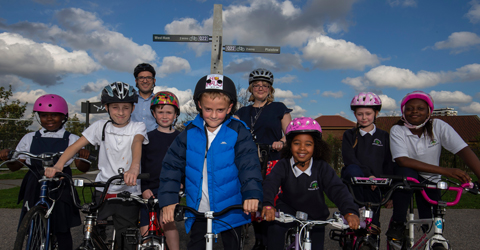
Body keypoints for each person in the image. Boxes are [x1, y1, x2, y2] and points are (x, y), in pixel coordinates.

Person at [159, 74, 263, 250]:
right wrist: (169, 200)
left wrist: (252, 194)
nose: (214, 115)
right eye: (208, 109)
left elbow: (249, 165)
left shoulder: (238, 132)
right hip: (198, 209)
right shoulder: (189, 133)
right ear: (199, 105)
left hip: (231, 209)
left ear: (230, 107)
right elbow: (171, 167)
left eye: (220, 110)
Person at [45, 82, 149, 250]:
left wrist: (134, 168)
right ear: (106, 107)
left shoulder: (138, 126)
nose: (121, 112)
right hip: (103, 189)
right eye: (115, 107)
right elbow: (74, 147)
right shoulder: (100, 127)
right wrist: (58, 165)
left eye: (126, 107)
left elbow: (136, 144)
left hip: (128, 191)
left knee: (126, 238)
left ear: (133, 108)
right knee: (94, 233)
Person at [0, 94, 91, 250]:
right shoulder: (29, 138)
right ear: (38, 117)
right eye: (44, 115)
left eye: (55, 115)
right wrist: (8, 157)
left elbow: (82, 167)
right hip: (35, 183)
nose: (49, 119)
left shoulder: (72, 139)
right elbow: (15, 166)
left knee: (62, 228)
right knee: (32, 224)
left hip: (60, 185)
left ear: (64, 116)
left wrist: (82, 156)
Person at [385, 91, 480, 240]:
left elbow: (463, 150)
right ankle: (397, 223)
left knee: (432, 222)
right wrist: (446, 171)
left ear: (429, 111)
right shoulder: (397, 130)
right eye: (409, 108)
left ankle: (430, 238)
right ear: (403, 111)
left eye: (420, 108)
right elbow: (402, 160)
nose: (414, 111)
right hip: (407, 175)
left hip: (431, 178)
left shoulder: (438, 126)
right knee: (406, 177)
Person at [261, 117, 360, 250]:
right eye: (297, 143)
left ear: (316, 146)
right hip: (287, 211)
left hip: (315, 215)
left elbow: (337, 189)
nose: (302, 148)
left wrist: (349, 211)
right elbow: (270, 184)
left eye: (308, 144)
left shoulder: (322, 167)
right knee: (274, 229)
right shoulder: (283, 165)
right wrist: (267, 205)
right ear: (290, 145)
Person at [234, 68, 292, 250]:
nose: (261, 88)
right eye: (257, 85)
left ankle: (269, 240)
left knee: (270, 200)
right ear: (251, 89)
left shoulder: (279, 108)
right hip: (249, 162)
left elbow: (290, 133)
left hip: (272, 160)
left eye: (265, 86)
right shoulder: (241, 112)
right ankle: (258, 240)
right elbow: (231, 134)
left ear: (270, 89)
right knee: (251, 200)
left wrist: (282, 142)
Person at [341, 92, 395, 236]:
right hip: (355, 182)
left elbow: (388, 163)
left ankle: (371, 233)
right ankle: (357, 211)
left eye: (368, 114)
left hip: (375, 185)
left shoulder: (384, 136)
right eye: (360, 114)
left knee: (373, 228)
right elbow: (349, 159)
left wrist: (389, 192)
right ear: (354, 114)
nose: (364, 118)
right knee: (352, 169)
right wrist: (368, 175)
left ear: (376, 113)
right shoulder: (349, 135)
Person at [140, 91, 181, 249]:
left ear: (176, 114)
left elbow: (185, 164)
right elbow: (142, 165)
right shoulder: (147, 138)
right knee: (145, 226)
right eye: (160, 112)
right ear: (153, 113)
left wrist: (181, 182)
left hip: (170, 189)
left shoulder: (181, 138)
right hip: (150, 189)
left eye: (169, 112)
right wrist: (144, 188)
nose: (165, 116)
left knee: (167, 222)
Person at [132, 63, 158, 132]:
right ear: (136, 81)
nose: (145, 81)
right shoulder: (129, 100)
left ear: (154, 81)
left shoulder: (159, 100)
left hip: (155, 141)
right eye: (141, 78)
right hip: (132, 141)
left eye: (148, 77)